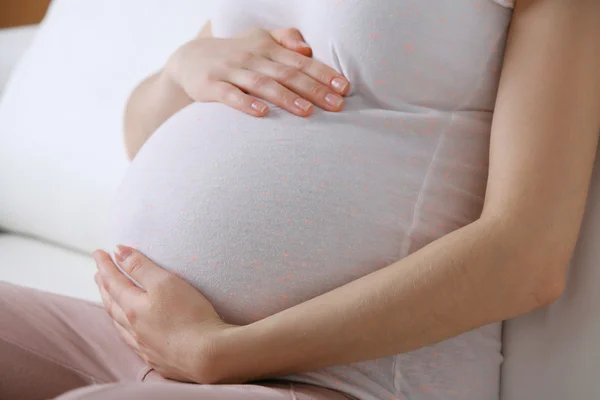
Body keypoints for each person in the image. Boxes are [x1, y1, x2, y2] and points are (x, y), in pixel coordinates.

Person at [2, 1, 600, 399]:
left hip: (340, 381)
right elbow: (142, 136)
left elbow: (525, 256)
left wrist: (219, 352)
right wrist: (182, 69)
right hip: (133, 336)